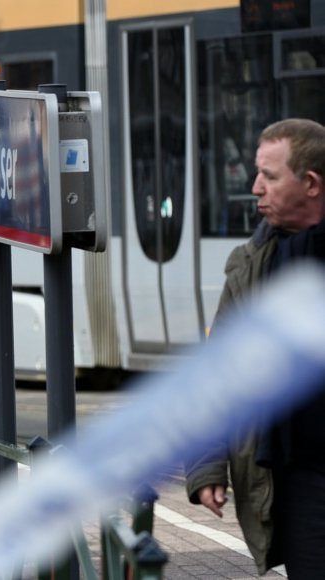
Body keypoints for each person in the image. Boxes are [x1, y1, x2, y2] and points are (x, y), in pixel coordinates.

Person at [185, 118, 325, 578]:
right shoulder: (252, 262)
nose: (255, 187)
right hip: (298, 479)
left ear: (310, 184)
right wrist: (207, 466)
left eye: (269, 175)